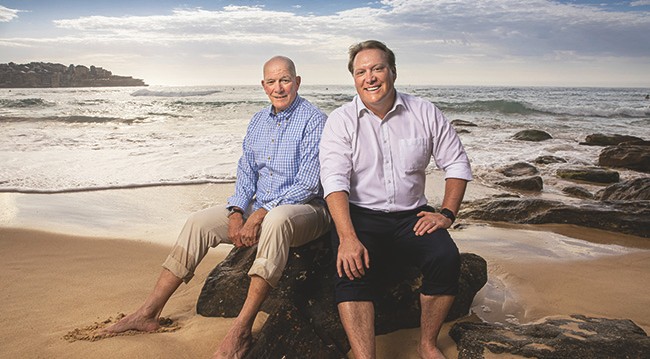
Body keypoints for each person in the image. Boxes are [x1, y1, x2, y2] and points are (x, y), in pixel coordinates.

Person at [103, 55, 331, 359]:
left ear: (297, 82)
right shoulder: (258, 121)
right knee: (199, 222)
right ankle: (148, 312)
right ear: (263, 86)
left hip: (306, 210)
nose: (279, 87)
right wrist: (237, 212)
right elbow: (247, 173)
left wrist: (260, 214)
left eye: (285, 80)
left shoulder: (315, 120)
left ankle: (241, 331)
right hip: (259, 207)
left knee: (276, 219)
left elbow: (308, 183)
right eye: (272, 81)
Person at [319, 40, 473, 359]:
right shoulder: (341, 120)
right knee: (350, 269)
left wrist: (446, 213)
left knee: (445, 256)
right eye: (361, 71)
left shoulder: (424, 111)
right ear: (354, 79)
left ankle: (427, 344)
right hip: (360, 216)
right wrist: (347, 237)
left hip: (411, 217)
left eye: (377, 68)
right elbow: (333, 181)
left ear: (393, 72)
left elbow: (456, 162)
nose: (370, 77)